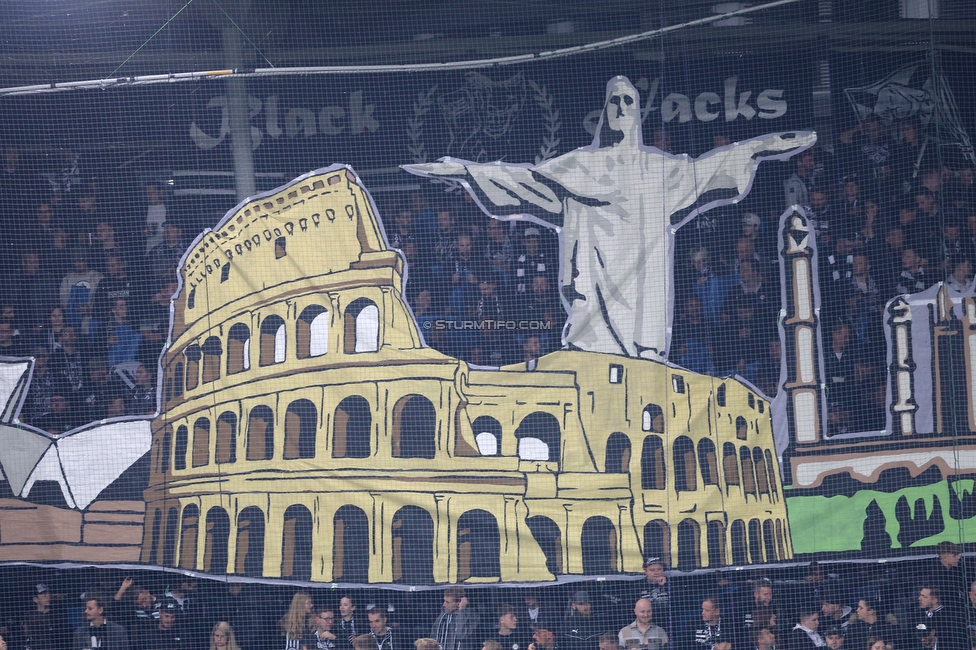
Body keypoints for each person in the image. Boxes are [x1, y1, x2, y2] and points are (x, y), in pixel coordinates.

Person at [405, 76, 815, 361]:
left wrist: (761, 147)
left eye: (628, 102)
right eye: (614, 102)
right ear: (605, 112)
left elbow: (708, 168)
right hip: (594, 287)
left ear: (637, 113)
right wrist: (464, 170)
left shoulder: (659, 171)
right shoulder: (580, 165)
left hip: (643, 295)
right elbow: (524, 181)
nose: (621, 108)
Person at [23, 583, 72, 650]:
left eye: (48, 593)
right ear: (35, 599)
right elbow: (27, 636)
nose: (48, 596)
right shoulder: (29, 616)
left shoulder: (57, 615)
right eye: (44, 594)